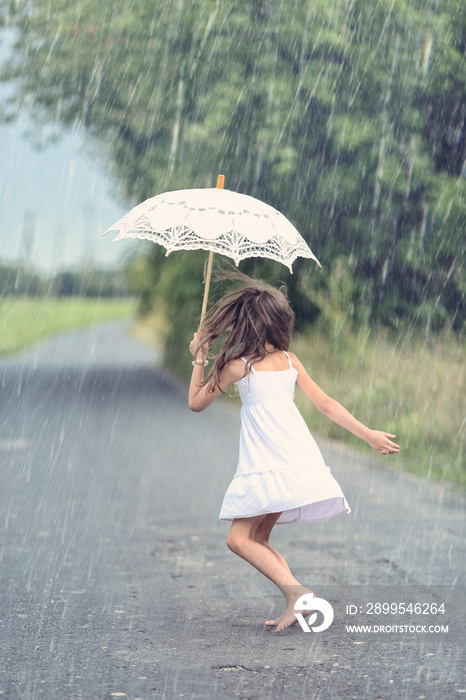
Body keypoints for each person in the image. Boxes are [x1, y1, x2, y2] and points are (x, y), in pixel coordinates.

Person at [188, 272, 399, 633]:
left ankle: (297, 593)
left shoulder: (238, 367)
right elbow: (327, 405)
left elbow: (195, 403)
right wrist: (368, 435)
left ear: (244, 325)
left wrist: (199, 358)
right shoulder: (289, 360)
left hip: (269, 466)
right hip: (295, 464)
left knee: (238, 540)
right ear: (278, 323)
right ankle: (294, 600)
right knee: (258, 540)